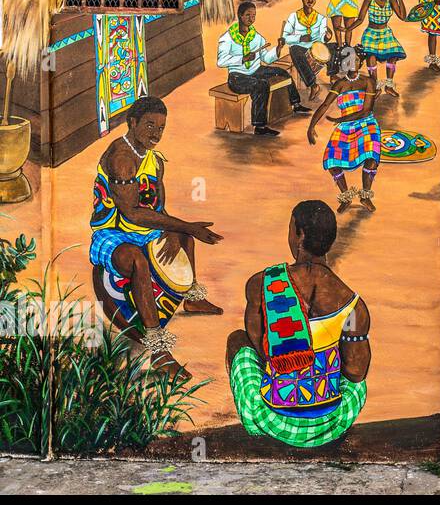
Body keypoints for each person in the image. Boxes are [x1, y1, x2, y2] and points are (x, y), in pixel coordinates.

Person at [89, 97, 223, 381]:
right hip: (113, 233)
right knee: (138, 259)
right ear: (132, 122)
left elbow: (158, 210)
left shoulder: (155, 160)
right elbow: (132, 213)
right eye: (150, 125)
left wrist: (177, 230)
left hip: (142, 229)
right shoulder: (120, 158)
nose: (156, 133)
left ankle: (192, 299)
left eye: (161, 127)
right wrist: (185, 225)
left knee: (185, 237)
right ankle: (158, 349)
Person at [226, 201, 371, 448]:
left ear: (300, 234)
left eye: (292, 229)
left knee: (237, 339)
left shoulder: (260, 283)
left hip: (271, 418)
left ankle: (255, 424)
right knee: (358, 381)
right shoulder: (353, 304)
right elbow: (356, 372)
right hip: (331, 423)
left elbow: (261, 351)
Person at [218, 1, 310, 137]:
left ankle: (296, 104)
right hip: (238, 76)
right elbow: (221, 61)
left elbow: (266, 58)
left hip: (256, 70)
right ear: (240, 16)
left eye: (254, 15)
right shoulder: (227, 38)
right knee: (261, 85)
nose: (251, 19)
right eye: (248, 15)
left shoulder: (256, 37)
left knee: (282, 73)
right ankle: (259, 126)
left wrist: (278, 48)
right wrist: (243, 59)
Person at [308, 46, 381, 213]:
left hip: (366, 123)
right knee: (331, 161)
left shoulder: (368, 82)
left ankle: (365, 197)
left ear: (360, 62)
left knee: (371, 155)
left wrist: (340, 119)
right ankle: (346, 197)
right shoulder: (340, 84)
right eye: (348, 60)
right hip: (345, 127)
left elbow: (366, 110)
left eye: (355, 60)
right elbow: (325, 104)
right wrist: (311, 127)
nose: (352, 63)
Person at [351, 0, 407, 97]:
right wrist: (347, 28)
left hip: (385, 33)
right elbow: (360, 19)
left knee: (392, 56)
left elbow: (403, 16)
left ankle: (389, 85)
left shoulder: (391, 0)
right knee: (371, 56)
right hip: (371, 34)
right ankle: (375, 86)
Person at [279, 0, 331, 100]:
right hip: (301, 48)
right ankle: (313, 85)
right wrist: (300, 38)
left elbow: (322, 38)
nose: (310, 0)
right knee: (294, 50)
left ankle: (334, 77)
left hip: (316, 48)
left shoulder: (321, 18)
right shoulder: (294, 16)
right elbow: (285, 37)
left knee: (335, 48)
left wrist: (326, 37)